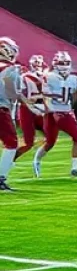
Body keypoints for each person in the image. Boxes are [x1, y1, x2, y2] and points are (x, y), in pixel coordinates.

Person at [35, 51, 77, 178]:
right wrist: (52, 110)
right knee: (51, 142)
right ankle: (36, 160)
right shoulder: (49, 76)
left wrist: (70, 108)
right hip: (52, 112)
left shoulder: (74, 79)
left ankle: (74, 167)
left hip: (64, 110)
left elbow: (75, 95)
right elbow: (45, 96)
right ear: (55, 64)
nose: (64, 65)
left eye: (66, 63)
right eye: (61, 63)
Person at [0, 36, 23, 193]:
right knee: (11, 143)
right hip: (1, 108)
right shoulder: (10, 69)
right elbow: (12, 93)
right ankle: (1, 177)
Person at [15, 54, 47, 163]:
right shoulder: (25, 77)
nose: (38, 64)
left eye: (39, 62)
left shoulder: (46, 77)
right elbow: (20, 96)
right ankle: (10, 158)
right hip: (27, 109)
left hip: (40, 109)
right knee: (28, 143)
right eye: (36, 62)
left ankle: (37, 159)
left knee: (51, 137)